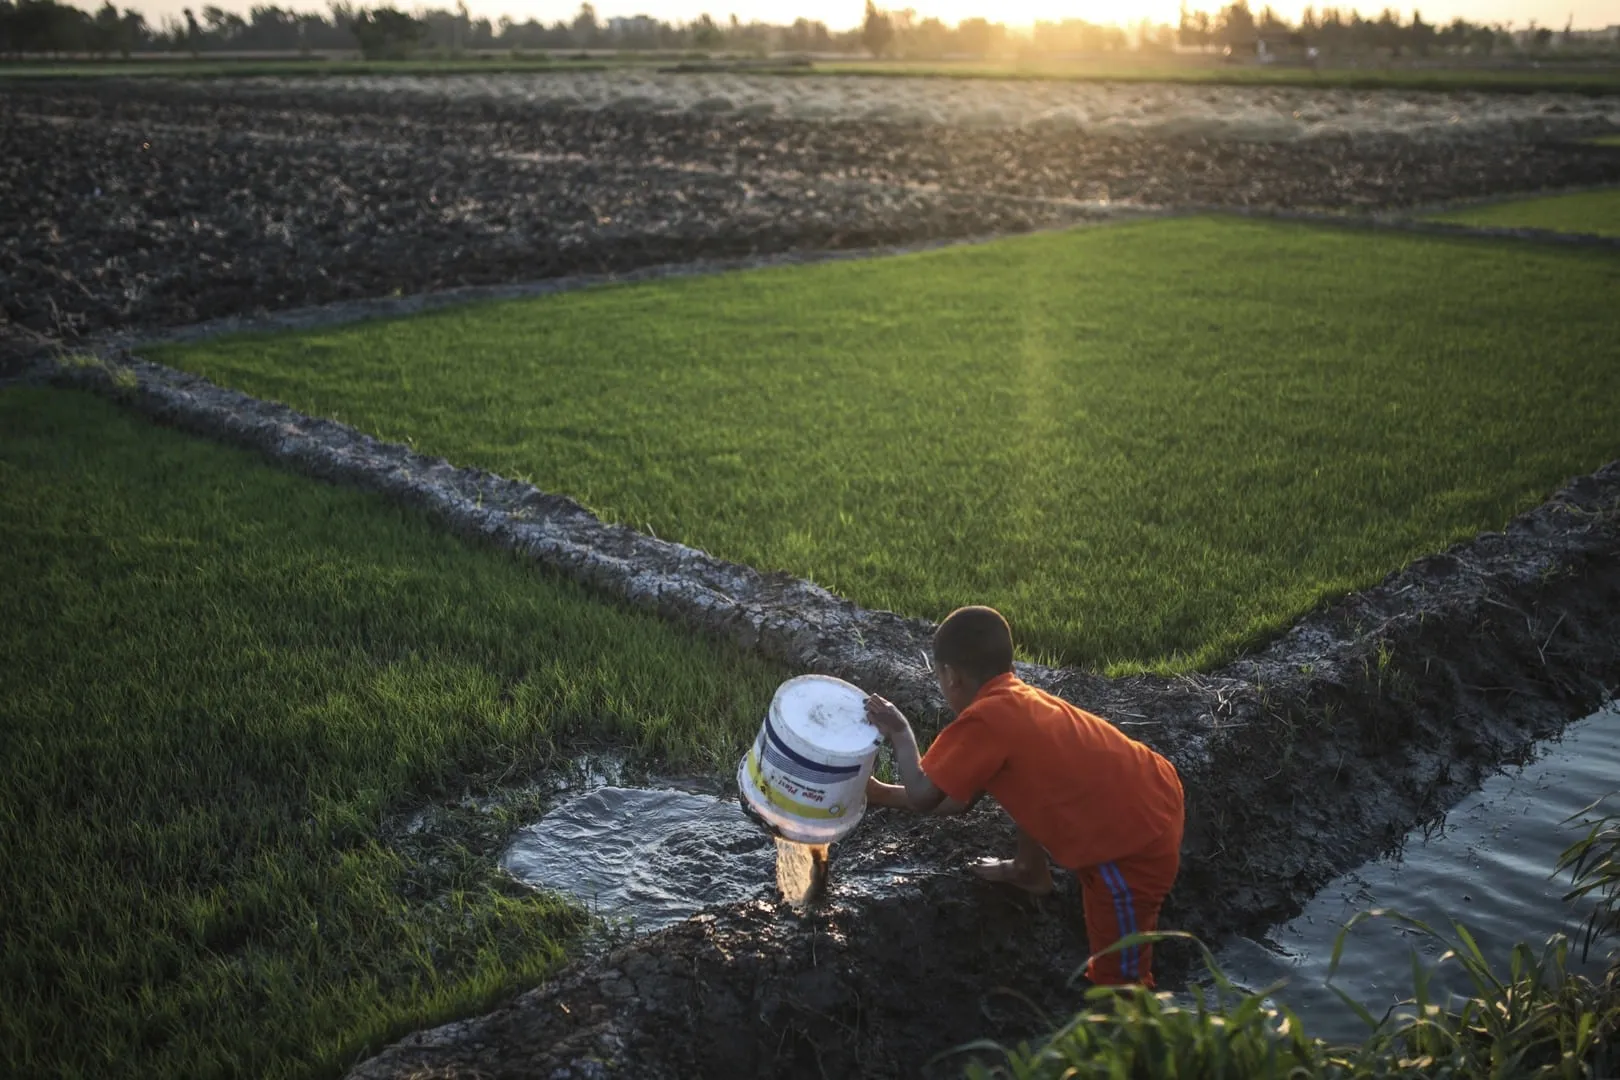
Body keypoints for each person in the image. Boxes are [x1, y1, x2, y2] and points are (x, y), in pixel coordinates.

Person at [863, 605, 1184, 987]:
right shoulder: (1015, 698)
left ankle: (1133, 1036)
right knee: (1031, 785)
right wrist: (881, 794)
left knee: (1120, 980)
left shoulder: (984, 721)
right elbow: (956, 801)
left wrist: (901, 732)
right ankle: (1029, 869)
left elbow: (923, 796)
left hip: (1130, 845)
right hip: (1150, 793)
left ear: (950, 676)